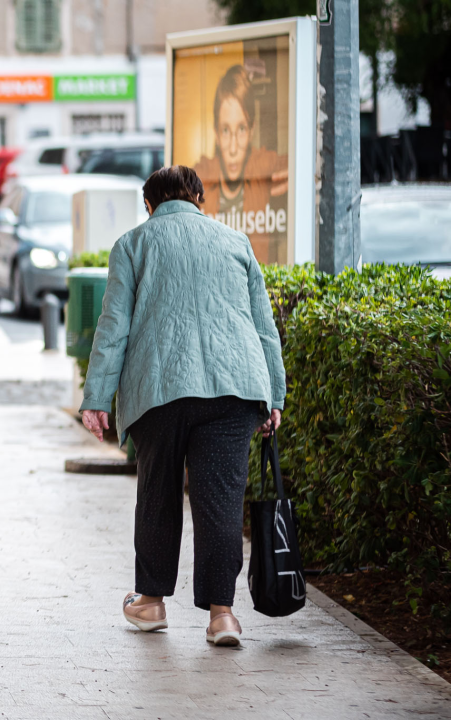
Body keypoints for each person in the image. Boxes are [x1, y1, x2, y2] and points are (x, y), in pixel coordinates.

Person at [80, 165, 286, 648]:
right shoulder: (236, 243)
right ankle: (222, 617)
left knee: (158, 495)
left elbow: (113, 328)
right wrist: (274, 393)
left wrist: (96, 399)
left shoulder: (133, 244)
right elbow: (263, 326)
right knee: (219, 502)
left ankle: (150, 603)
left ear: (148, 205)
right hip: (234, 388)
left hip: (160, 388)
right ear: (199, 199)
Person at [192, 65, 288, 263]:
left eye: (241, 129)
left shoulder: (261, 165)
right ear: (216, 134)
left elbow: (307, 163)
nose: (233, 147)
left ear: (252, 130)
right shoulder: (201, 175)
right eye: (226, 131)